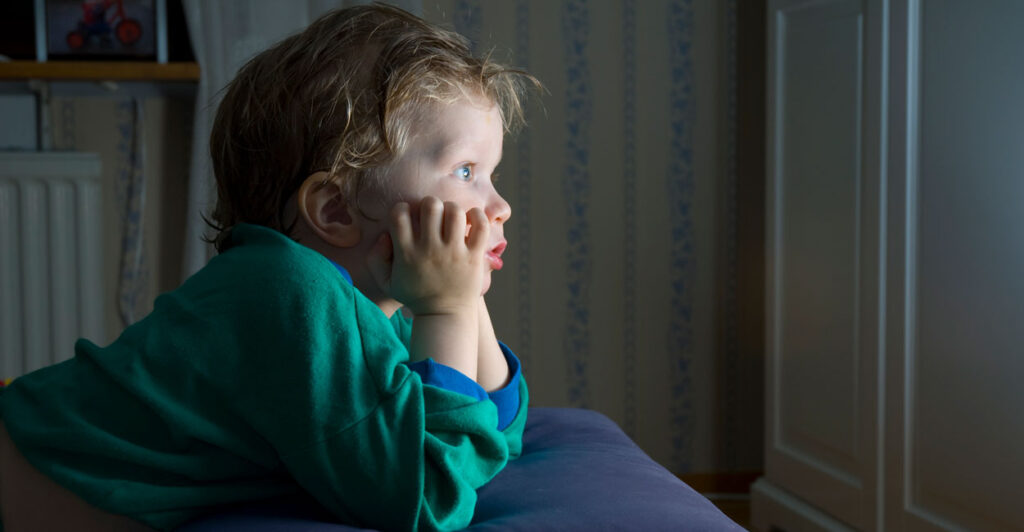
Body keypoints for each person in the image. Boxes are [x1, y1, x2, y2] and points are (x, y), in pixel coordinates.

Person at [0, 4, 540, 531]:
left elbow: (495, 437)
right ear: (335, 210)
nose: (499, 205)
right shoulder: (291, 295)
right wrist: (448, 307)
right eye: (466, 171)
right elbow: (429, 497)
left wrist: (461, 301)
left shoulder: (384, 306)